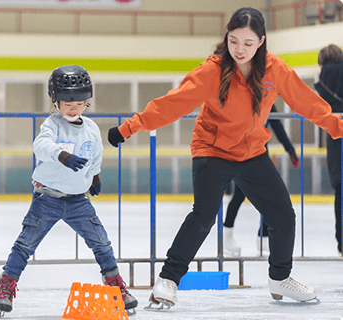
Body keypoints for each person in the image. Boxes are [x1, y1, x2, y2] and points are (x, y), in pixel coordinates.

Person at [107, 7, 343, 309]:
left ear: (261, 41)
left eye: (247, 43)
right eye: (234, 41)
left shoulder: (275, 69)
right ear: (226, 38)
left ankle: (280, 279)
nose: (239, 49)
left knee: (283, 216)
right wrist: (129, 128)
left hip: (253, 153)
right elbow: (172, 104)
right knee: (204, 214)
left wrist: (337, 126)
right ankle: (167, 281)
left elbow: (306, 102)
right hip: (212, 149)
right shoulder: (213, 71)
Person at [0, 65, 138, 317]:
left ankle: (116, 286)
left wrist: (95, 177)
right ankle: (5, 287)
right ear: (55, 101)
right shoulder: (52, 125)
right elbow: (41, 145)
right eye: (67, 103)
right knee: (25, 245)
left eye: (79, 103)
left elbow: (95, 155)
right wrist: (63, 155)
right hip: (47, 198)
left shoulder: (91, 128)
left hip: (78, 201)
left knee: (101, 243)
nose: (73, 108)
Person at [224, 104, 299, 256]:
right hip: (240, 156)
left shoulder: (268, 101)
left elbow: (278, 127)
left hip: (260, 157)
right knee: (239, 196)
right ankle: (227, 236)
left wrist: (290, 150)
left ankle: (263, 236)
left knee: (269, 197)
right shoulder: (241, 98)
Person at [314, 44, 343, 255]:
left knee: (340, 190)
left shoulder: (324, 74)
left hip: (336, 135)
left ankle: (342, 242)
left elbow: (321, 105)